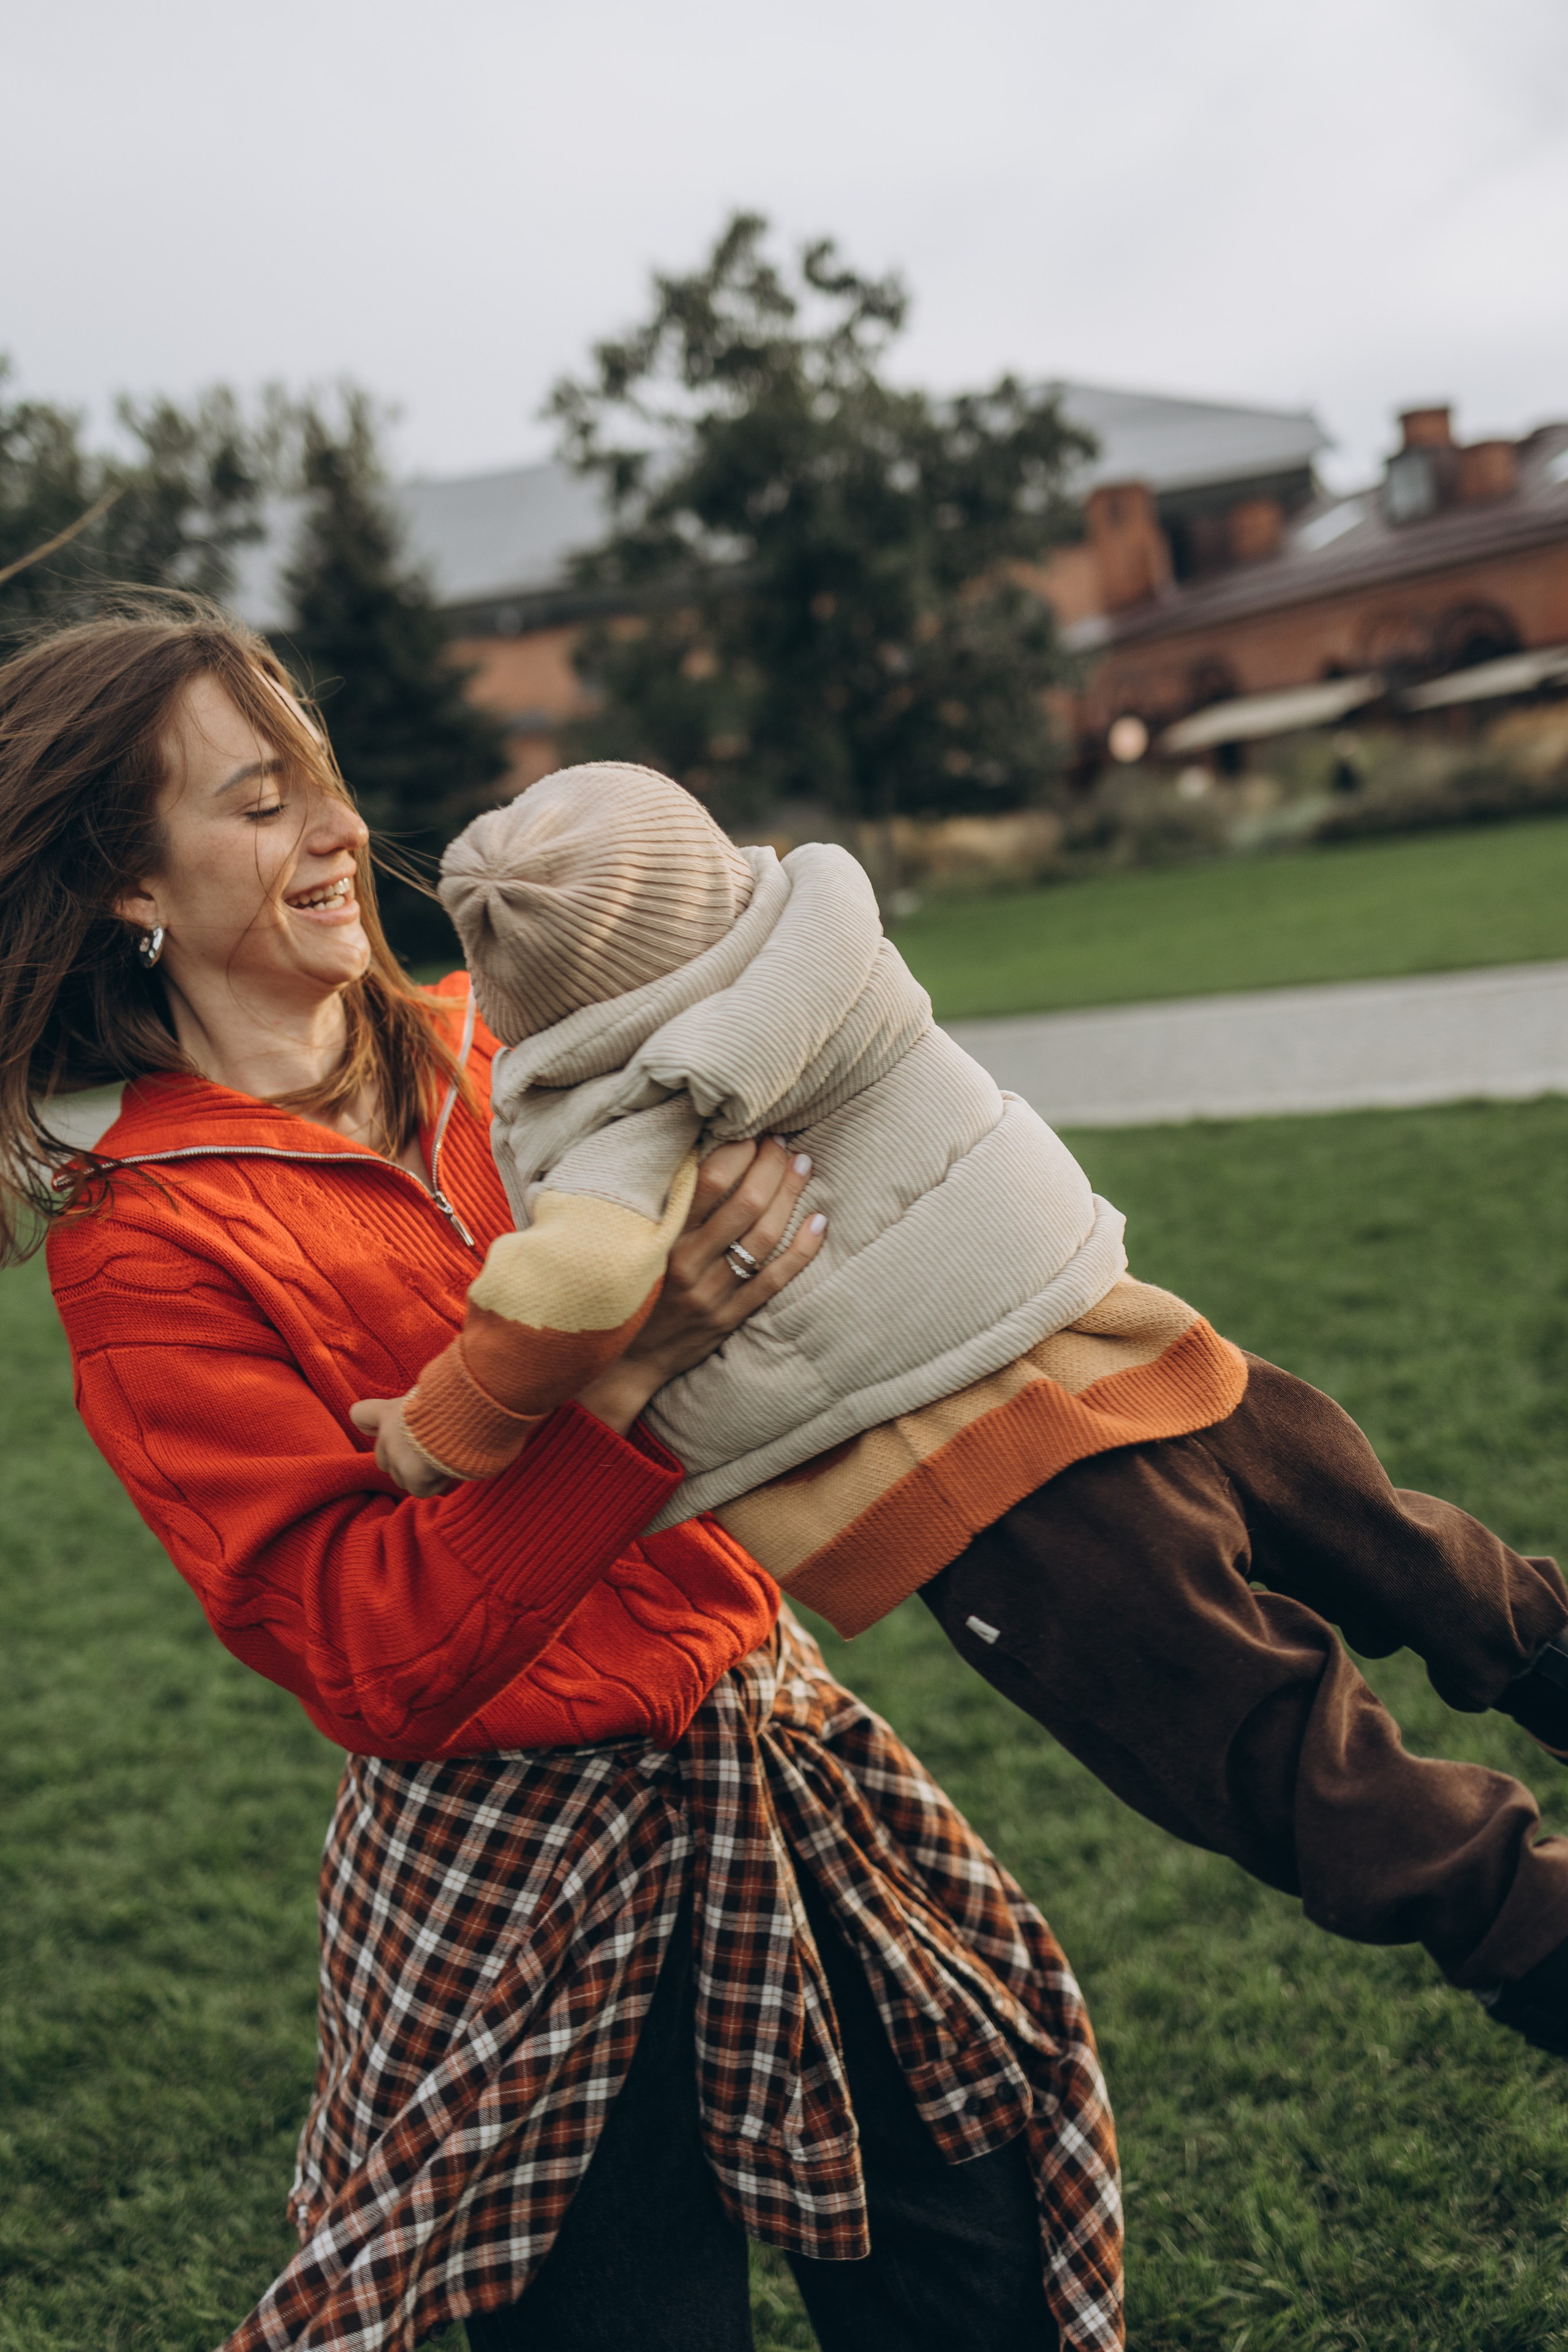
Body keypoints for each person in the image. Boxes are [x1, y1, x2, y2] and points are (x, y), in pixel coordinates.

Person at [0, 605, 1123, 2352]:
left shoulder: (511, 1035)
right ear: (125, 883)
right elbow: (362, 1647)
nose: (336, 830)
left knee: (969, 2250)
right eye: (257, 802)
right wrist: (633, 1377)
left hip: (770, 1746)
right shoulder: (147, 1243)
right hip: (514, 1862)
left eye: (323, 780)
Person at [367, 757, 1568, 2060]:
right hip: (1128, 1344)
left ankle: (1526, 1926)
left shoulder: (634, 1109)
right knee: (1395, 1545)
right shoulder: (833, 937)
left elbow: (579, 1280)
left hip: (986, 1492)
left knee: (1259, 1739)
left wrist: (442, 1427)